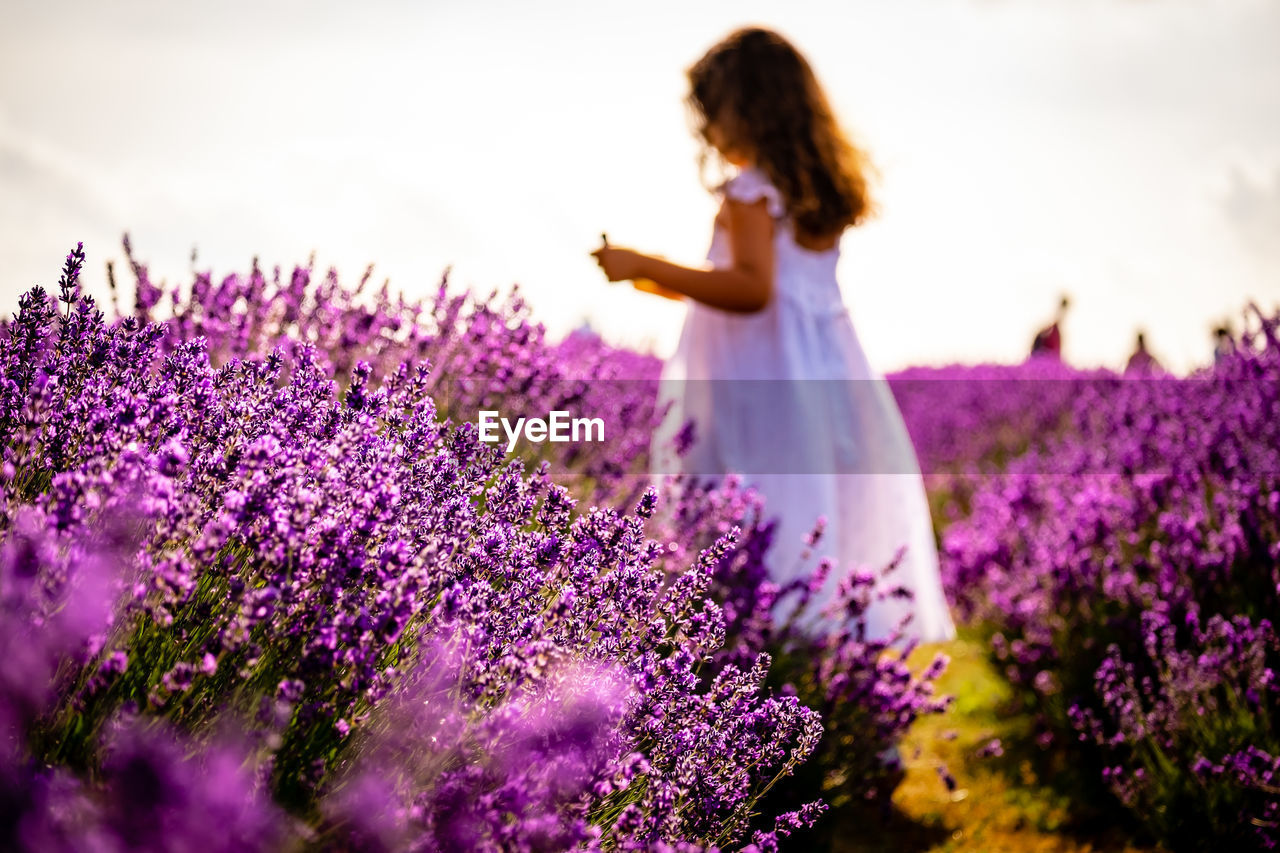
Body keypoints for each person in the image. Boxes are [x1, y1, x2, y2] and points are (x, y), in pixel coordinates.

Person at [590, 26, 954, 645]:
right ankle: (824, 678)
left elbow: (750, 290)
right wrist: (649, 282)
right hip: (820, 379)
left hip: (757, 385)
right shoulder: (810, 195)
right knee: (813, 513)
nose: (707, 131)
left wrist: (646, 264)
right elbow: (742, 284)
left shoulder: (751, 192)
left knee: (751, 507)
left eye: (714, 113)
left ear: (750, 107)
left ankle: (749, 672)